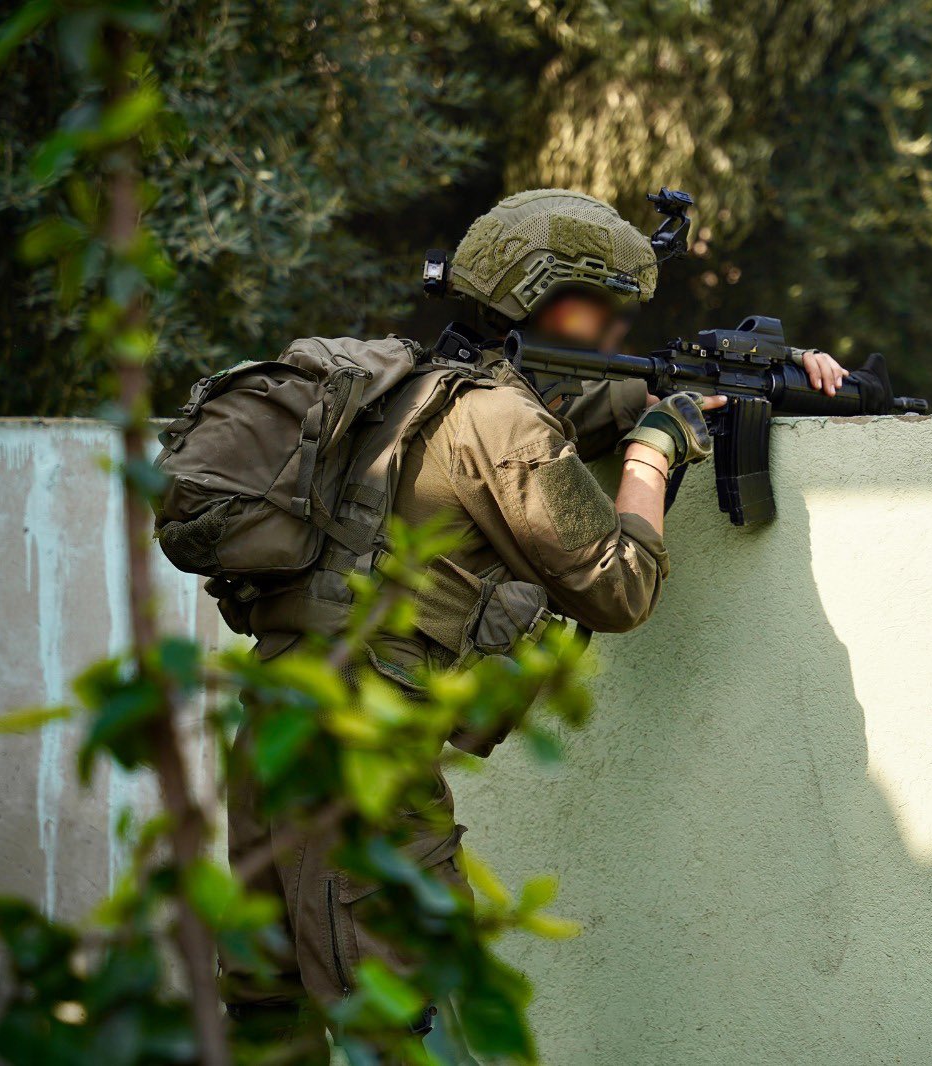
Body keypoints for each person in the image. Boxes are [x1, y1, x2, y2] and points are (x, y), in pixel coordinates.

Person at [220, 189, 848, 1059]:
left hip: (273, 736)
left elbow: (560, 416)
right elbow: (620, 588)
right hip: (362, 770)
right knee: (416, 1032)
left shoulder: (408, 389)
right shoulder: (502, 422)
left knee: (270, 1020)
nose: (617, 329)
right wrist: (651, 453)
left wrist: (744, 378)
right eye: (605, 306)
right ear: (545, 299)